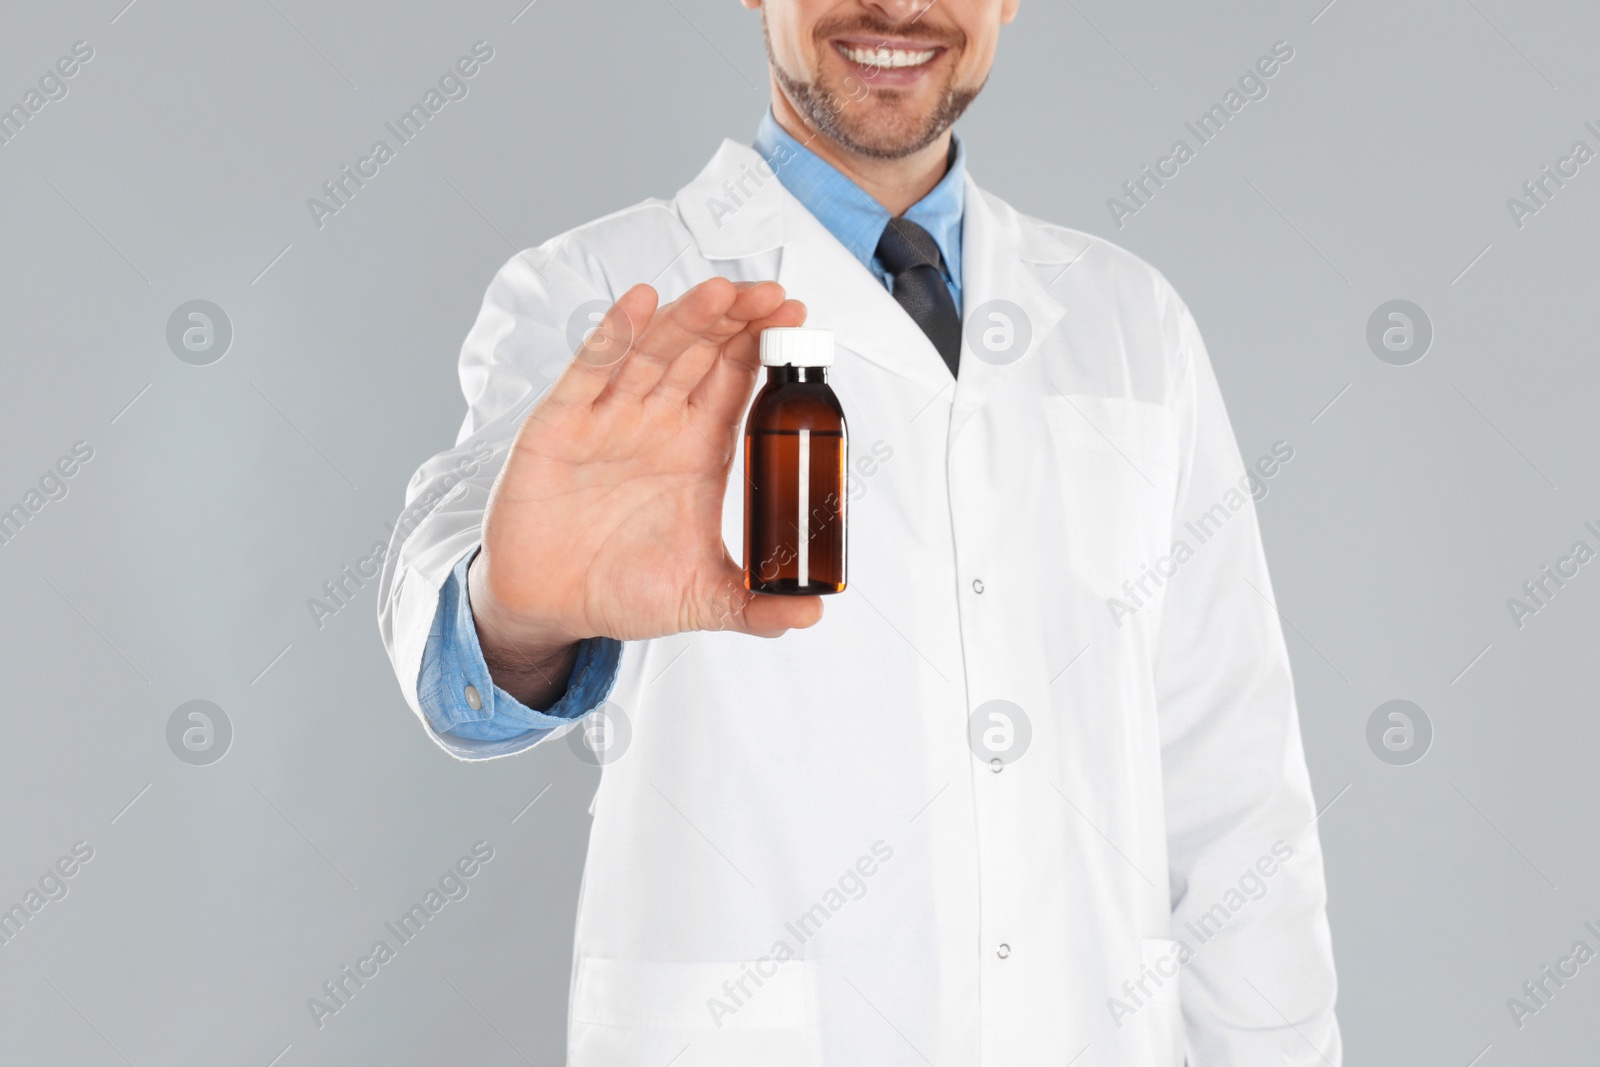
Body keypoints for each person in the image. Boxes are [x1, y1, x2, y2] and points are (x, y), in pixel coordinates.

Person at [377, 1, 1341, 1062]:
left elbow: (1233, 783)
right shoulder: (603, 291)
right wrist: (516, 617)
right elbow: (455, 601)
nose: (898, 5)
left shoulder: (1130, 322)